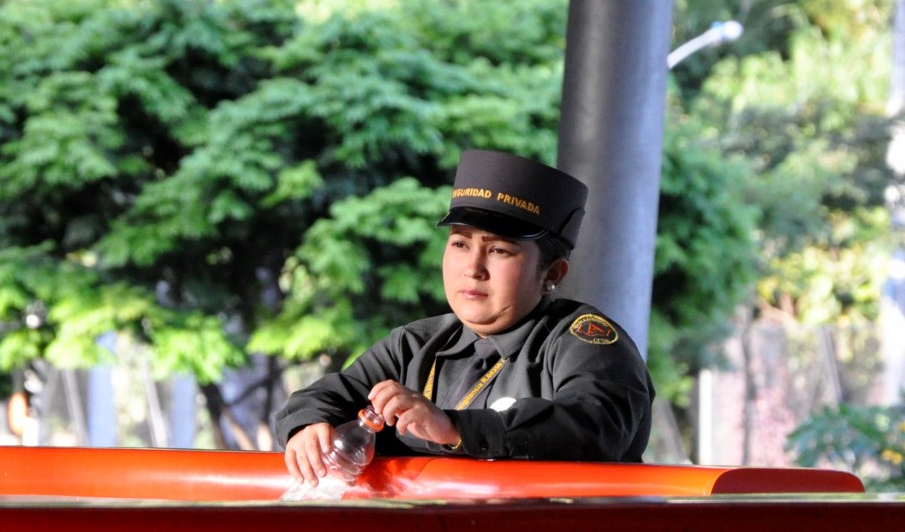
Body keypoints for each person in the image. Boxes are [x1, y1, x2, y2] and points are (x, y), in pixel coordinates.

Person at [273, 149, 654, 484]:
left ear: (552, 273)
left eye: (499, 250)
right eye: (459, 244)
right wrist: (309, 427)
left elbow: (593, 425)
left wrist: (454, 428)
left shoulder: (586, 341)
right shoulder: (415, 344)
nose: (473, 269)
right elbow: (324, 396)